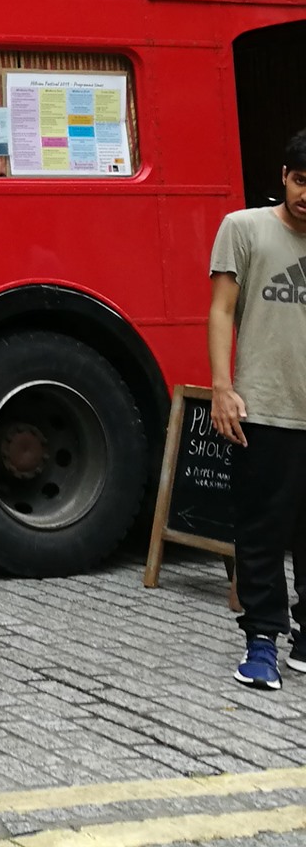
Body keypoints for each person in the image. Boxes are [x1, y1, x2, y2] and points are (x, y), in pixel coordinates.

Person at [206, 127, 306, 690]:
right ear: (284, 178)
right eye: (299, 180)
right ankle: (263, 638)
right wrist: (223, 386)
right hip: (265, 406)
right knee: (263, 531)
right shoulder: (244, 228)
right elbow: (221, 310)